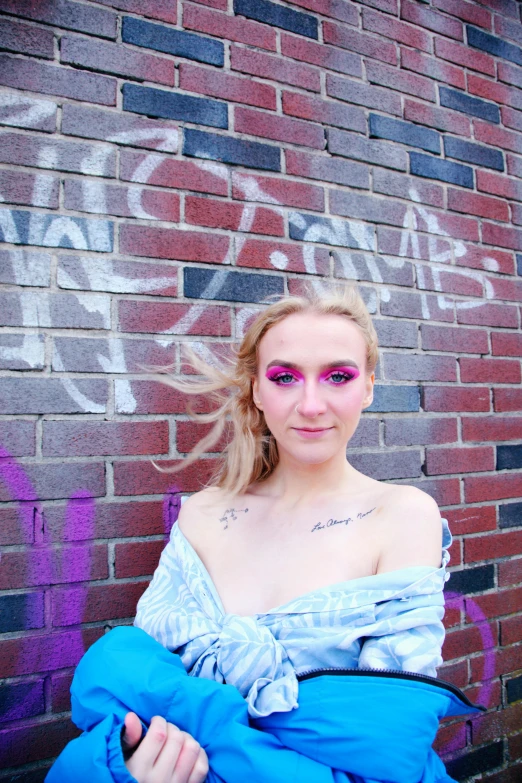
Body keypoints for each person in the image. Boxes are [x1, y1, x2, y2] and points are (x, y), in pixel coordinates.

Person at [47, 283, 475, 783]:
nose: (311, 404)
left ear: (369, 388)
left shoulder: (400, 516)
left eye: (338, 376)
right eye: (285, 376)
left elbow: (383, 743)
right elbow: (124, 686)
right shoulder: (203, 514)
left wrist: (197, 733)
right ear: (256, 388)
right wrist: (130, 764)